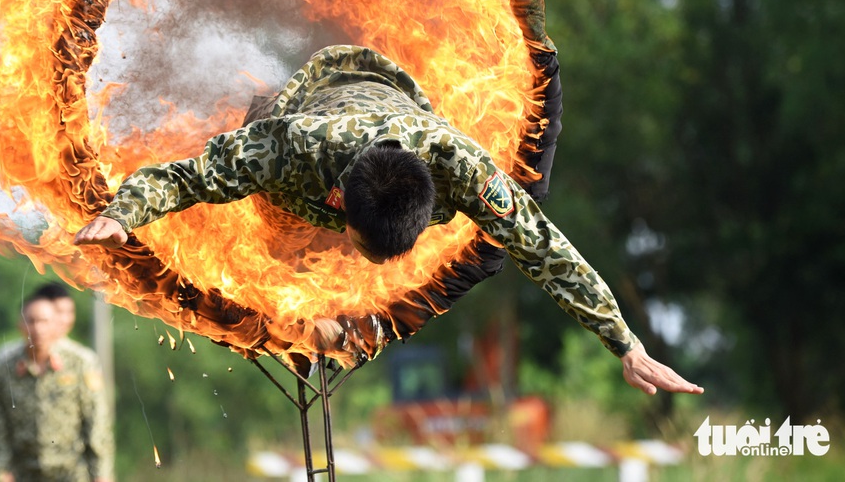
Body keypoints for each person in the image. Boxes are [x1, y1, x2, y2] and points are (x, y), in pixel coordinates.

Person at [75, 45, 705, 396]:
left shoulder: (463, 167)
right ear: (338, 207)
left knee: (508, 235)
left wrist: (624, 341)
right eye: (361, 244)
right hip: (305, 112)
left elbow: (545, 247)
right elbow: (188, 175)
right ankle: (304, 287)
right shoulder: (285, 149)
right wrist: (122, 211)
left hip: (393, 93)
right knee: (275, 243)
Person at [0, 293, 114, 482]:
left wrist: (101, 474)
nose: (37, 329)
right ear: (20, 324)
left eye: (44, 321)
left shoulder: (79, 363)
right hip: (22, 474)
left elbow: (96, 424)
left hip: (72, 473)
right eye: (31, 321)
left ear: (56, 326)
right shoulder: (5, 368)